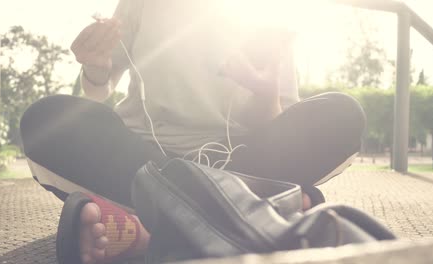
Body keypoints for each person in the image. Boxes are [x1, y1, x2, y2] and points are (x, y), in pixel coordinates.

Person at [20, 0, 366, 263]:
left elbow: (278, 123)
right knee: (44, 121)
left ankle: (149, 228)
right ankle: (258, 210)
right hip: (146, 160)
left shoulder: (268, 13)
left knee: (342, 115)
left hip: (240, 162)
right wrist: (96, 67)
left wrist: (263, 91)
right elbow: (99, 89)